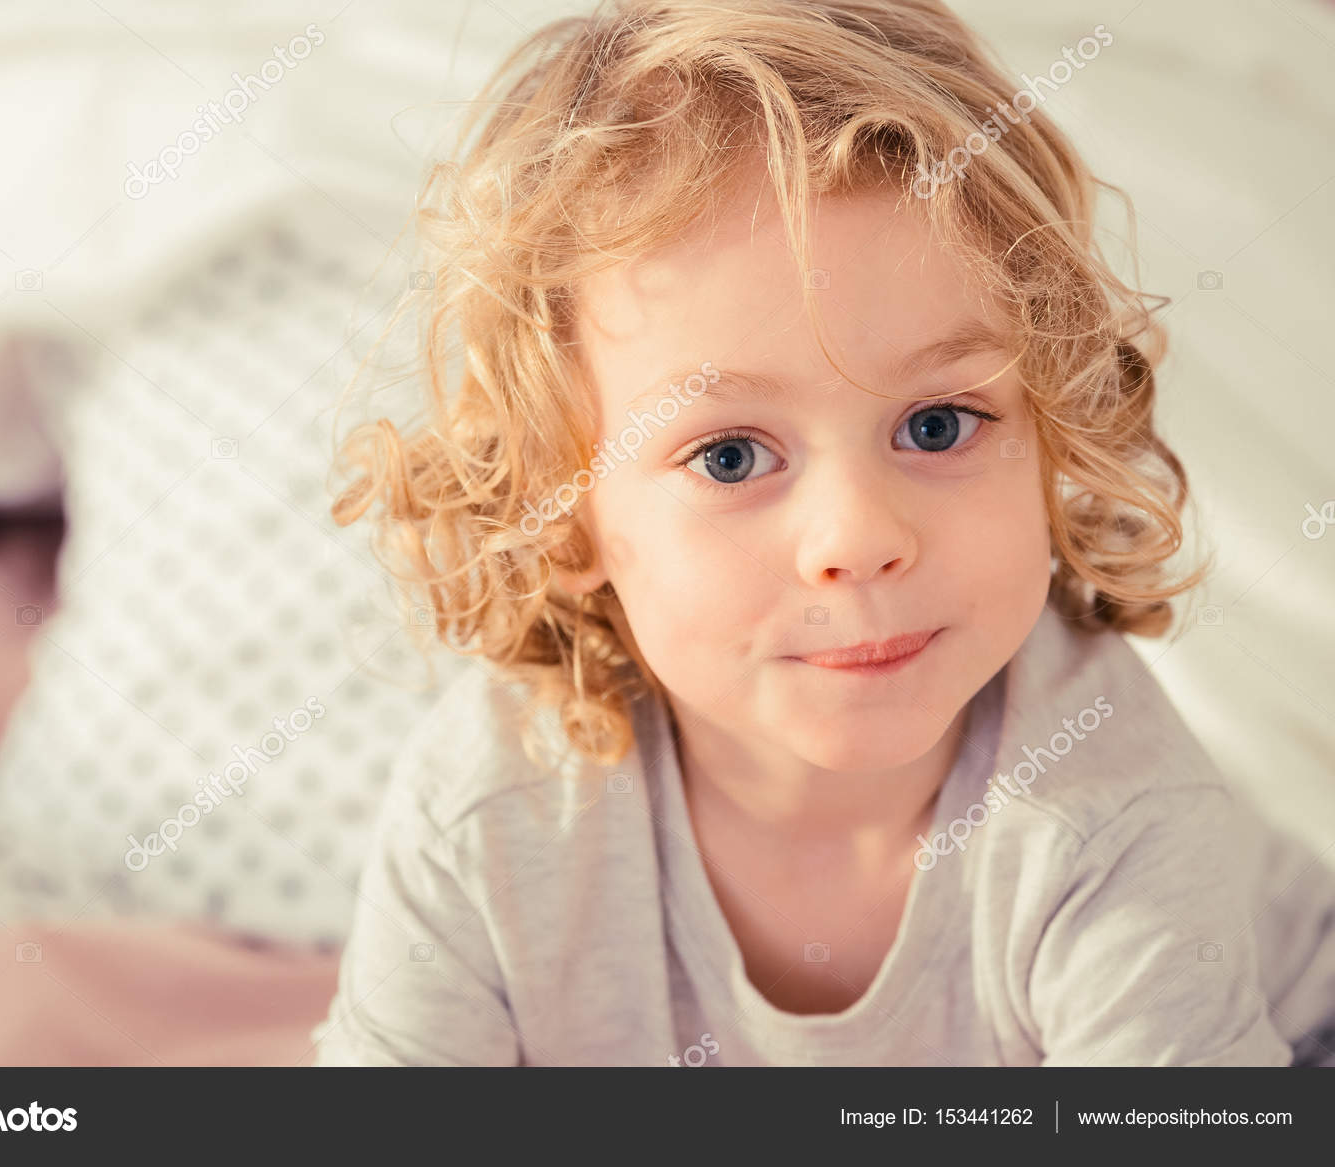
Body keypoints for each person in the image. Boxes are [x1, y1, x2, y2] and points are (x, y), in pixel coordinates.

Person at [310, 0, 1335, 1065]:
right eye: (730, 457)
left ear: (1050, 432)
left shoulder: (1108, 810)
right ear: (562, 525)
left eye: (936, 425)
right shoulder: (494, 809)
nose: (858, 537)